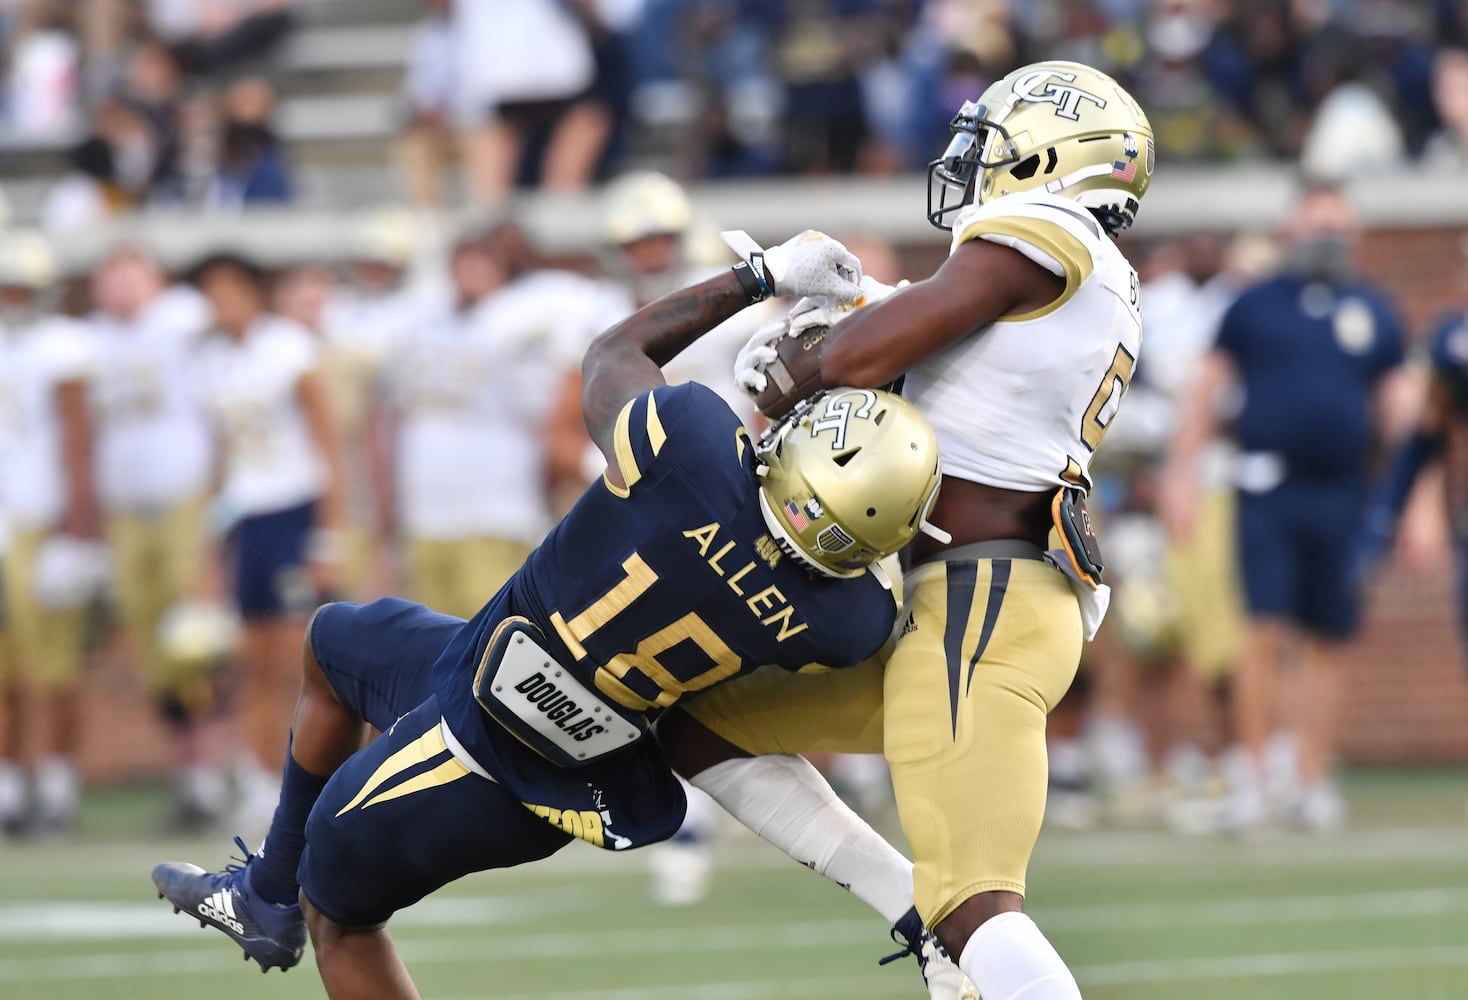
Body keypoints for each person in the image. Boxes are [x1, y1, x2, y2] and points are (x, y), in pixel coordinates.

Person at [152, 235, 963, 998]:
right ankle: (262, 896)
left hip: (485, 746)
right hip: (571, 754)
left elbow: (614, 353)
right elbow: (871, 557)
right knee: (336, 643)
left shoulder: (693, 445)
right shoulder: (848, 616)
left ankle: (284, 901)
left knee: (341, 913)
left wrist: (758, 281)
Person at [656, 60, 1155, 1000]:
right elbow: (944, 353)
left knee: (978, 906)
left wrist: (818, 354)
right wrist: (863, 309)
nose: (971, 165)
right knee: (697, 723)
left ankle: (944, 933)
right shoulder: (1076, 271)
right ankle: (915, 922)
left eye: (992, 148)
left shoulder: (1046, 227)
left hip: (985, 599)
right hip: (954, 599)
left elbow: (857, 360)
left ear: (1052, 155)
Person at [1161, 184, 1413, 834]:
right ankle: (1253, 775)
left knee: (1328, 634)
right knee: (1262, 630)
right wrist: (1180, 475)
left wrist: (1409, 499)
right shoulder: (1254, 306)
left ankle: (1310, 775)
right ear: (1293, 228)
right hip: (1266, 487)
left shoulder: (1374, 310)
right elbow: (1207, 393)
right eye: (1317, 221)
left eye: (1339, 223)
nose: (1328, 234)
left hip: (1343, 490)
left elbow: (1401, 409)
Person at [188, 253, 347, 832]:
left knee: (292, 661)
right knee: (251, 661)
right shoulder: (213, 361)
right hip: (247, 516)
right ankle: (260, 778)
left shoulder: (287, 347)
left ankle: (305, 780)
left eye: (229, 289)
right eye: (211, 292)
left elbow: (326, 442)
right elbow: (221, 458)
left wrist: (330, 534)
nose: (220, 303)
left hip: (294, 512)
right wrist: (208, 546)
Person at [88, 245, 224, 829]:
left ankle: (223, 769)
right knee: (155, 646)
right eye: (110, 274)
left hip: (182, 498)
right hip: (125, 507)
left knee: (196, 634)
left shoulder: (179, 318)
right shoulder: (91, 339)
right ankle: (191, 773)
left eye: (131, 271)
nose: (120, 285)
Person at [0, 229, 104, 835]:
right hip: (7, 520)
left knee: (55, 664)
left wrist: (78, 531)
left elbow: (78, 439)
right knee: (6, 666)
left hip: (42, 519)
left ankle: (59, 783)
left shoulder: (63, 345)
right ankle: (10, 788)